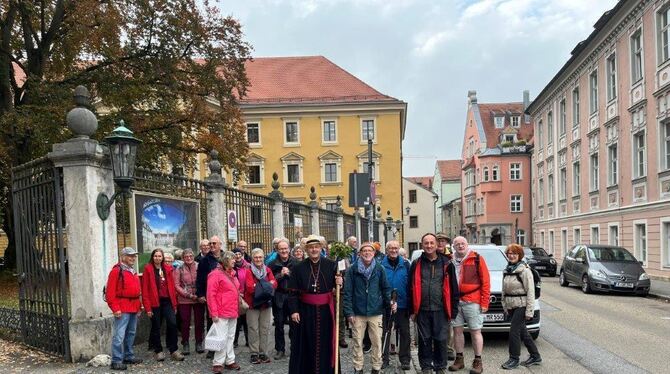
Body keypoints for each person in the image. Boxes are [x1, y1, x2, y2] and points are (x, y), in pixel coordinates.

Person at [288, 234, 343, 374]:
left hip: (326, 313)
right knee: (306, 345)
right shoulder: (298, 267)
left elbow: (340, 288)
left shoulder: (331, 265)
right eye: (311, 247)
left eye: (316, 247)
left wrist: (340, 283)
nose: (314, 250)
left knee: (326, 344)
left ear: (321, 248)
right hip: (305, 312)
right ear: (306, 250)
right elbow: (292, 292)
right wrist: (294, 311)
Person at [409, 233, 459, 374]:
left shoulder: (447, 263)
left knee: (440, 340)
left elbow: (454, 288)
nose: (429, 246)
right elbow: (410, 287)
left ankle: (440, 366)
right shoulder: (416, 263)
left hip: (441, 309)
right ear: (422, 245)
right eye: (426, 243)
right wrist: (412, 310)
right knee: (424, 340)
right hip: (422, 309)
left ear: (437, 245)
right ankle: (426, 366)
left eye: (432, 243)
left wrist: (453, 310)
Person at [343, 242, 394, 374]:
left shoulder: (379, 268)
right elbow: (347, 292)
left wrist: (390, 302)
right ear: (359, 253)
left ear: (374, 253)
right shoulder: (352, 270)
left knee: (377, 341)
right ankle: (358, 367)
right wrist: (349, 312)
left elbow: (385, 288)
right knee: (357, 342)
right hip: (357, 312)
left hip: (375, 311)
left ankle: (376, 367)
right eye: (364, 251)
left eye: (369, 251)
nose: (367, 253)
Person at [448, 236, 490, 374]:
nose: (460, 246)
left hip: (472, 301)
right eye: (457, 244)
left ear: (467, 245)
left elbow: (485, 282)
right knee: (457, 331)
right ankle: (459, 359)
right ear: (453, 246)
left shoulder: (477, 258)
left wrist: (484, 302)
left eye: (463, 244)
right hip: (455, 301)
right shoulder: (450, 261)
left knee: (475, 331)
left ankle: (478, 361)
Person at [501, 244, 541, 370]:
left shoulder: (524, 270)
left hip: (522, 305)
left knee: (514, 331)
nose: (511, 255)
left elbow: (531, 291)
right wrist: (504, 305)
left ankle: (514, 358)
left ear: (520, 256)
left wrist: (530, 311)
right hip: (512, 305)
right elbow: (504, 290)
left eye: (515, 253)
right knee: (523, 332)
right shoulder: (508, 269)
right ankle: (535, 356)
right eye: (510, 253)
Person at [142, 248, 184, 362]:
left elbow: (171, 287)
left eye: (160, 256)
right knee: (156, 326)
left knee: (173, 324)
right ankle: (158, 350)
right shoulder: (148, 268)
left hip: (167, 301)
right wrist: (148, 308)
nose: (157, 258)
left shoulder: (168, 269)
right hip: (155, 302)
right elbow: (145, 289)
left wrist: (174, 305)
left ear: (162, 258)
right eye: (155, 256)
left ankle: (173, 349)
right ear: (152, 257)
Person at [106, 247, 143, 371]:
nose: (133, 258)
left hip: (133, 306)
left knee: (131, 333)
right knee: (119, 335)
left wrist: (139, 307)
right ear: (122, 257)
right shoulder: (116, 271)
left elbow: (136, 291)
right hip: (122, 307)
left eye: (134, 256)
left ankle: (128, 356)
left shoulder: (132, 270)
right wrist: (115, 308)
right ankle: (116, 360)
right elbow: (110, 293)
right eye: (130, 256)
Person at [207, 251, 242, 372]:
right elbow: (211, 295)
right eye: (232, 259)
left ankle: (230, 360)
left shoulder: (233, 273)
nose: (234, 260)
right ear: (226, 260)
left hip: (232, 310)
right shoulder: (214, 274)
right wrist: (214, 313)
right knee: (221, 337)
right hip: (221, 311)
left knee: (231, 337)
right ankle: (218, 362)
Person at [380, 240, 412, 371]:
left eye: (396, 248)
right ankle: (384, 358)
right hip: (386, 305)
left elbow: (410, 284)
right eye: (391, 248)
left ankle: (405, 359)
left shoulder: (405, 264)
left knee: (405, 332)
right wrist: (386, 299)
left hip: (403, 304)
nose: (393, 250)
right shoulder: (380, 264)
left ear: (399, 249)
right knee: (385, 332)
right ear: (386, 250)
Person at [243, 248, 278, 364]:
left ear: (263, 258)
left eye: (260, 257)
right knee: (253, 329)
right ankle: (254, 353)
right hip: (252, 304)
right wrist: (267, 286)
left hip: (265, 305)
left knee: (264, 329)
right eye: (256, 257)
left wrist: (259, 285)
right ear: (252, 258)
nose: (258, 259)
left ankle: (263, 352)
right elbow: (249, 288)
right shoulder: (248, 271)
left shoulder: (267, 270)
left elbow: (275, 284)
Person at [173, 248, 205, 355]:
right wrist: (188, 295)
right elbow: (176, 285)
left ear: (193, 256)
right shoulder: (179, 269)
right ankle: (185, 343)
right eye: (186, 256)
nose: (189, 258)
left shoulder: (199, 266)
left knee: (199, 321)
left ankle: (199, 342)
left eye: (190, 256)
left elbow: (203, 280)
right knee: (185, 322)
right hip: (184, 298)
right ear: (183, 258)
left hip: (198, 297)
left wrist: (200, 294)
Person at [268, 239, 296, 360]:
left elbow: (299, 280)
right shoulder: (272, 264)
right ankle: (280, 349)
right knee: (279, 324)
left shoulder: (296, 263)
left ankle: (295, 347)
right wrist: (280, 275)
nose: (284, 251)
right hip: (279, 296)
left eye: (285, 248)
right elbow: (270, 281)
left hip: (292, 296)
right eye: (281, 249)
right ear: (277, 250)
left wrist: (289, 273)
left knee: (294, 324)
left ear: (289, 249)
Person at [196, 235, 223, 359]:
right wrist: (200, 294)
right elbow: (200, 279)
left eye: (214, 243)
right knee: (212, 321)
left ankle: (224, 345)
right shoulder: (204, 260)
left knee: (225, 321)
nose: (211, 246)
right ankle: (212, 348)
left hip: (225, 296)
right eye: (210, 243)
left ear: (220, 245)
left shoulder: (226, 257)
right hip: (211, 295)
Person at [436, 232, 456, 361]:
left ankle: (449, 349)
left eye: (443, 241)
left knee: (448, 326)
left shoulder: (450, 258)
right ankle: (436, 349)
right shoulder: (431, 255)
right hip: (436, 295)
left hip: (448, 295)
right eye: (439, 241)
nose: (440, 243)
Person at [233, 248, 250, 348]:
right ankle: (235, 341)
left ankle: (248, 340)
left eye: (239, 254)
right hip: (236, 296)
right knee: (237, 321)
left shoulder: (248, 265)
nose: (238, 256)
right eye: (236, 254)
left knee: (246, 320)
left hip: (246, 295)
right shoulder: (231, 267)